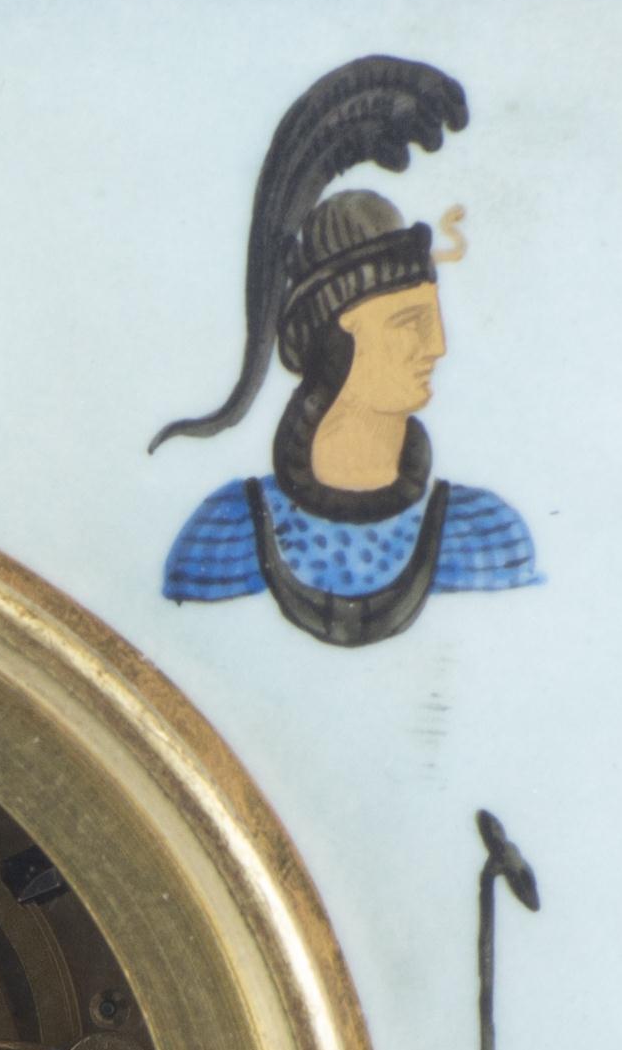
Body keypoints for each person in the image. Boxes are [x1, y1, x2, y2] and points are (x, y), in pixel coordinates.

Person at [155, 56, 536, 650]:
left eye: (432, 320)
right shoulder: (223, 539)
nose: (437, 346)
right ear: (335, 338)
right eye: (409, 323)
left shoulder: (485, 536)